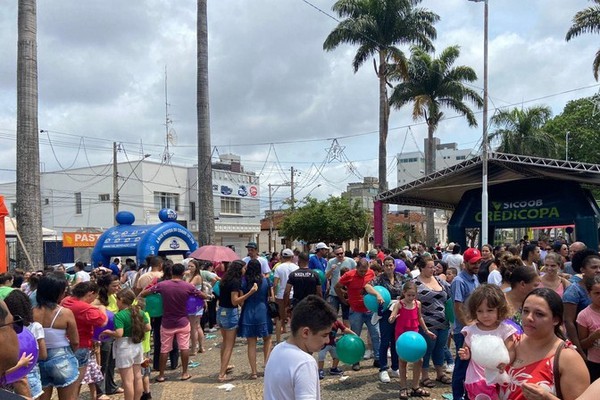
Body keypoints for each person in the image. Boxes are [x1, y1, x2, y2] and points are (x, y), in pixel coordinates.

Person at [499, 288, 589, 400]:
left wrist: (548, 398)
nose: (529, 318)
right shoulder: (511, 343)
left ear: (556, 320)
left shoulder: (568, 358)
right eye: (526, 311)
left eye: (539, 314)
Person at [139, 263, 206, 382]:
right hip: (183, 321)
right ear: (182, 273)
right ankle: (185, 373)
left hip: (167, 322)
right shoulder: (188, 286)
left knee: (164, 349)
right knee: (184, 347)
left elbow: (144, 293)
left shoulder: (162, 285)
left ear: (171, 272)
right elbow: (202, 295)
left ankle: (161, 375)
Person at [263, 295, 337, 400]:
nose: (327, 341)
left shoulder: (277, 349)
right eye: (324, 335)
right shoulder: (305, 363)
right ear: (305, 332)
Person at [457, 284, 516, 399]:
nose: (485, 315)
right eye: (480, 311)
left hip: (498, 378)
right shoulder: (471, 331)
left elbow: (511, 350)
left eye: (490, 310)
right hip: (476, 379)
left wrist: (506, 363)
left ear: (500, 309)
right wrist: (466, 354)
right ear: (474, 312)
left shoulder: (504, 330)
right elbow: (466, 350)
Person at [34, 272, 80, 400]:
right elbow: (75, 341)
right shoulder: (65, 313)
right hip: (62, 356)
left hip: (39, 358)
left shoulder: (31, 312)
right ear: (57, 292)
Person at [389, 281, 436, 399]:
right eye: (408, 295)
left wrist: (426, 330)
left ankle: (415, 386)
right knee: (402, 360)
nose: (410, 297)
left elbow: (420, 318)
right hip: (402, 335)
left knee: (419, 360)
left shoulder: (418, 303)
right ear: (404, 293)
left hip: (415, 335)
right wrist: (392, 318)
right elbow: (391, 318)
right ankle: (403, 387)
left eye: (413, 295)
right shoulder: (399, 304)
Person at [100, 289, 150, 400]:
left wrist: (108, 332)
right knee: (137, 376)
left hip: (124, 347)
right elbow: (148, 328)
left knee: (127, 380)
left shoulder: (120, 315)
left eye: (117, 299)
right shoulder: (140, 312)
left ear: (121, 300)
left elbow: (119, 333)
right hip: (137, 345)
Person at [61, 282, 108, 397]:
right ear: (90, 293)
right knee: (76, 382)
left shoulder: (66, 301)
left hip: (65, 343)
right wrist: (102, 308)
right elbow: (103, 321)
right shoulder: (85, 308)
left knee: (68, 381)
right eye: (94, 297)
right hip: (81, 345)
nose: (93, 301)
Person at [214, 260, 258, 382]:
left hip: (221, 311)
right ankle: (222, 374)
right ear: (239, 269)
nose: (245, 270)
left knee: (225, 343)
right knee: (229, 345)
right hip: (229, 313)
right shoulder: (235, 282)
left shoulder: (224, 279)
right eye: (244, 268)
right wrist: (250, 292)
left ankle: (224, 366)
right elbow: (235, 301)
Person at [412, 255, 452, 387]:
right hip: (426, 323)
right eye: (429, 267)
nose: (433, 270)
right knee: (427, 349)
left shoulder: (440, 281)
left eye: (433, 267)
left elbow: (450, 294)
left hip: (443, 322)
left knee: (440, 348)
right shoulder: (414, 283)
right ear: (422, 268)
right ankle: (424, 375)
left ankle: (440, 373)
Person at [335, 258, 380, 371]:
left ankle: (378, 359)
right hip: (356, 310)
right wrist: (343, 299)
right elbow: (337, 286)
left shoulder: (371, 273)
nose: (363, 273)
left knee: (376, 334)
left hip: (370, 310)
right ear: (356, 268)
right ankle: (356, 360)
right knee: (355, 336)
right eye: (360, 271)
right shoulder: (348, 275)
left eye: (365, 271)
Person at [365, 256, 405, 383]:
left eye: (391, 265)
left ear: (394, 265)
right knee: (385, 340)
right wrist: (377, 294)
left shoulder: (400, 276)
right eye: (386, 265)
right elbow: (367, 286)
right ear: (383, 266)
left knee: (395, 340)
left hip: (399, 310)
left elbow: (408, 287)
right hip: (386, 312)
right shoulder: (379, 279)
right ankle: (383, 368)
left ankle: (395, 367)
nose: (389, 267)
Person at [450, 247, 481, 400]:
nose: (477, 266)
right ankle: (457, 396)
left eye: (478, 262)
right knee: (461, 366)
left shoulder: (475, 278)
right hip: (463, 331)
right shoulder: (459, 281)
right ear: (465, 263)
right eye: (473, 263)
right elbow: (457, 307)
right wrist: (468, 326)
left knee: (472, 366)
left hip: (475, 329)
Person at [4, 289, 46, 399]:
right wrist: (24, 362)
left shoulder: (6, 330)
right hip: (28, 371)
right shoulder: (35, 327)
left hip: (7, 375)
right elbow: (43, 354)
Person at [238, 259, 274, 379]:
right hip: (263, 311)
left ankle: (253, 372)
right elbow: (271, 298)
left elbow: (241, 302)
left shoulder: (244, 282)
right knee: (267, 339)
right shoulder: (266, 281)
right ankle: (268, 366)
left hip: (248, 312)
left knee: (251, 343)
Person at [563, 249, 600, 356]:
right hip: (582, 345)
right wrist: (579, 350)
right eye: (594, 267)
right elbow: (568, 322)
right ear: (582, 270)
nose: (598, 270)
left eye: (599, 267)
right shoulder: (573, 291)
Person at [576, 274, 600, 382]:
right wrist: (594, 336)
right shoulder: (584, 315)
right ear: (589, 294)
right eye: (597, 293)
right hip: (595, 363)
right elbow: (583, 344)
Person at [326, 246, 356, 327]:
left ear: (344, 253)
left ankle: (346, 333)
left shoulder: (351, 261)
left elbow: (356, 273)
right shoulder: (331, 262)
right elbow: (326, 276)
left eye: (341, 253)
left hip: (346, 293)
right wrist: (331, 270)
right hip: (334, 293)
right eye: (337, 254)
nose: (340, 255)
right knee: (333, 316)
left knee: (346, 315)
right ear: (335, 254)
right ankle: (332, 333)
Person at [272, 249, 298, 342]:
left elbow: (275, 284)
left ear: (282, 257)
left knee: (279, 318)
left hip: (281, 295)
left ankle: (278, 340)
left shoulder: (279, 268)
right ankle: (294, 339)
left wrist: (274, 295)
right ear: (292, 257)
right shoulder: (296, 267)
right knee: (294, 318)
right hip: (293, 294)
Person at [505, 265, 542, 330]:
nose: (539, 289)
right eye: (535, 285)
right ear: (522, 284)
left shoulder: (534, 303)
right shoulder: (499, 301)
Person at [185, 259, 205, 355]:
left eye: (192, 266)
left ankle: (194, 348)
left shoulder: (196, 277)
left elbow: (188, 286)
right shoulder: (193, 276)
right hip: (195, 302)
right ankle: (201, 346)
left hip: (194, 302)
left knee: (193, 326)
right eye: (188, 266)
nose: (189, 268)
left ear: (196, 267)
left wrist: (187, 277)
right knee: (197, 326)